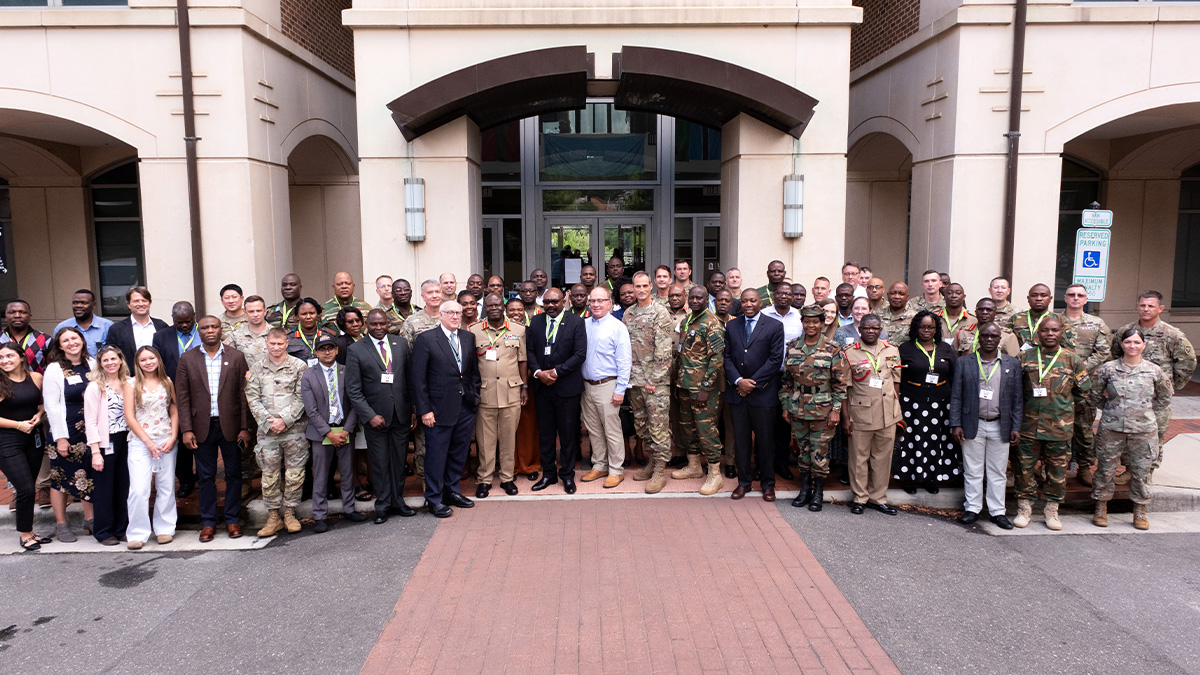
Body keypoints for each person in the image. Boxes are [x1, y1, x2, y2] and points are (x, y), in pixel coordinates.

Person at [175, 316, 252, 542]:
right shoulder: (187, 359)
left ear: (221, 330)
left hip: (231, 426)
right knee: (206, 476)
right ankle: (208, 522)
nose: (210, 330)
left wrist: (245, 427)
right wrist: (186, 429)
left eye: (214, 327)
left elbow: (244, 395)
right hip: (201, 427)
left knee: (233, 475)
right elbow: (183, 397)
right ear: (199, 331)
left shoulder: (236, 357)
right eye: (205, 327)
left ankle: (232, 519)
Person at [1090, 327, 1173, 530]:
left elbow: (1164, 397)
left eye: (1137, 342)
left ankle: (1139, 511)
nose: (1132, 346)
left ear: (1144, 345)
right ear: (1121, 345)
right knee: (1105, 469)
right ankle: (1101, 507)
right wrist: (1111, 409)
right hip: (1112, 428)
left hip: (1144, 430)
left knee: (1141, 471)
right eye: (1128, 342)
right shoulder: (1108, 369)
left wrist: (1144, 412)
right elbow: (1093, 394)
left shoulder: (1154, 371)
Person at [1013, 318, 1089, 530]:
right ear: (1037, 333)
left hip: (1059, 426)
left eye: (1054, 330)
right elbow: (1015, 390)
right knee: (1024, 470)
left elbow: (1083, 392)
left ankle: (1052, 511)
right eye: (1044, 330)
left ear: (1061, 332)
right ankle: (1024, 509)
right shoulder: (1024, 357)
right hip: (1029, 426)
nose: (1049, 334)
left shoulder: (1072, 360)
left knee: (1057, 472)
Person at [1109, 290, 1196, 469]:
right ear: (1137, 307)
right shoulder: (1126, 332)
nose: (1146, 309)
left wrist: (1171, 385)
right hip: (1128, 395)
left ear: (1160, 308)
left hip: (1155, 398)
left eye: (1151, 306)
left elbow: (1187, 362)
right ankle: (1129, 470)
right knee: (1127, 434)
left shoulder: (1172, 334)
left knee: (1155, 435)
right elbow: (1115, 356)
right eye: (1142, 305)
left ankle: (1147, 472)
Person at [949, 322, 1021, 529]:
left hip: (1001, 425)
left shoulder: (1011, 364)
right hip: (973, 424)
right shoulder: (965, 362)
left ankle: (997, 512)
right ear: (978, 338)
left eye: (994, 336)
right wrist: (956, 424)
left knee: (998, 472)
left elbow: (1017, 399)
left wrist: (1016, 426)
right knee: (972, 470)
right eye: (985, 336)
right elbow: (956, 396)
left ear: (1000, 339)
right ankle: (972, 508)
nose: (989, 339)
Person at [412, 301, 480, 518]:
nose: (455, 316)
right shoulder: (426, 339)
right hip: (437, 410)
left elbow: (472, 372)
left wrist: (474, 397)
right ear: (440, 315)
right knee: (436, 456)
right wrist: (424, 410)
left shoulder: (467, 337)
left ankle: (452, 491)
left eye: (458, 313)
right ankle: (434, 498)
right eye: (450, 312)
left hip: (464, 407)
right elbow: (418, 378)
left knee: (459, 453)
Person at [347, 309, 416, 523]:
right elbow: (353, 389)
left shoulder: (401, 344)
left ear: (388, 324)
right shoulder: (356, 349)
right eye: (374, 324)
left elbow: (409, 379)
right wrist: (369, 415)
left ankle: (398, 502)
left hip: (401, 415)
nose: (378, 328)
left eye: (382, 324)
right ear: (366, 325)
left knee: (398, 461)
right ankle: (383, 505)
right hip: (376, 418)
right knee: (379, 463)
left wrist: (413, 409)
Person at [780, 305, 850, 512]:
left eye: (815, 321)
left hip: (823, 408)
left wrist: (836, 409)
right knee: (803, 451)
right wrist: (786, 406)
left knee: (819, 452)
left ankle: (817, 491)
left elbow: (840, 384)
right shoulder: (792, 346)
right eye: (807, 321)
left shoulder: (832, 348)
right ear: (802, 323)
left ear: (821, 323)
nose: (811, 325)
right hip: (798, 407)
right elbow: (786, 382)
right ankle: (804, 490)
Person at [246, 328, 309, 536]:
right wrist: (268, 422)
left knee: (294, 473)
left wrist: (285, 420)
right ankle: (273, 516)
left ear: (286, 343)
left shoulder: (299, 367)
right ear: (266, 343)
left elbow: (302, 397)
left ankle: (290, 513)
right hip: (267, 432)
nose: (276, 347)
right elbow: (252, 398)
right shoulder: (256, 368)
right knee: (269, 474)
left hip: (294, 430)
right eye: (272, 344)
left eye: (280, 344)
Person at [725, 289, 784, 501]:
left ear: (761, 302)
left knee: (765, 441)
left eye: (753, 300)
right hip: (738, 393)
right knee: (741, 442)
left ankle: (768, 485)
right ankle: (744, 482)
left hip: (763, 394)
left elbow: (775, 359)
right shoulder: (732, 326)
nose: (748, 304)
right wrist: (738, 381)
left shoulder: (775, 326)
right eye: (744, 301)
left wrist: (753, 383)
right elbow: (727, 357)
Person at [302, 334, 364, 532]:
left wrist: (346, 430)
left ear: (337, 350)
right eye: (322, 349)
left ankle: (349, 508)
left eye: (330, 348)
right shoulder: (308, 375)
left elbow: (356, 402)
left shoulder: (348, 372)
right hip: (322, 433)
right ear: (316, 352)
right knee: (320, 475)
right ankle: (320, 515)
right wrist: (329, 433)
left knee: (347, 472)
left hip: (345, 429)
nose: (327, 352)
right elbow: (310, 410)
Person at [528, 288, 588, 493]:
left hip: (566, 388)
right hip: (542, 388)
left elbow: (580, 354)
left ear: (564, 301)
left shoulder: (576, 322)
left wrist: (555, 372)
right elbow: (529, 351)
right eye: (546, 302)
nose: (550, 305)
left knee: (568, 435)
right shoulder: (535, 322)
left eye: (554, 301)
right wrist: (538, 372)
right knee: (545, 434)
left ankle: (568, 476)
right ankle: (548, 475)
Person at [893, 310, 959, 494]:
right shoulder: (905, 348)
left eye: (931, 327)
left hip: (940, 403)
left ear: (936, 329)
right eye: (923, 326)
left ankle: (932, 478)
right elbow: (898, 376)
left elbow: (953, 375)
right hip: (911, 402)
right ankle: (908, 478)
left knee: (935, 442)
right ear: (916, 328)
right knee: (910, 441)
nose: (927, 330)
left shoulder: (945, 349)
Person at [471, 294, 530, 497]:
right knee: (485, 440)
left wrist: (524, 387)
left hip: (511, 391)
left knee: (508, 438)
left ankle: (507, 478)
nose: (494, 307)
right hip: (485, 393)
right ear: (484, 308)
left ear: (503, 307)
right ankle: (484, 480)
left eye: (498, 304)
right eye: (490, 305)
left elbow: (522, 360)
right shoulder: (473, 330)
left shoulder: (518, 330)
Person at [841, 315, 901, 515]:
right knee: (859, 458)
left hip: (888, 414)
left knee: (883, 458)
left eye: (875, 328)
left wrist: (896, 410)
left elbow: (896, 382)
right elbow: (844, 389)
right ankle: (860, 497)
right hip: (861, 414)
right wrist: (845, 418)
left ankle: (878, 498)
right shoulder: (849, 353)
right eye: (867, 328)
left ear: (880, 329)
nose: (871, 331)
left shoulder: (892, 350)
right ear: (860, 330)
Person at [623, 272, 676, 494]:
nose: (641, 289)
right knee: (642, 426)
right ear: (633, 289)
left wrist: (654, 379)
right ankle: (652, 462)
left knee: (659, 427)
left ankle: (659, 472)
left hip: (655, 382)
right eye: (638, 286)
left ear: (651, 286)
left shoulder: (660, 313)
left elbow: (665, 351)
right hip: (635, 381)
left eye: (645, 285)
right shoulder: (629, 313)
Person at [43, 327, 97, 542]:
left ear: (82, 340)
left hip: (89, 432)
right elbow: (52, 405)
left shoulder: (92, 364)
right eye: (66, 340)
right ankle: (61, 524)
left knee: (87, 476)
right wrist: (60, 438)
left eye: (74, 338)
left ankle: (90, 520)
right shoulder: (55, 369)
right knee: (60, 478)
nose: (71, 342)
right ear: (60, 345)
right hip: (65, 431)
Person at [123, 346, 179, 549]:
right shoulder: (131, 384)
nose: (148, 362)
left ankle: (165, 529)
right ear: (137, 363)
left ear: (158, 360)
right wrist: (147, 442)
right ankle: (137, 532)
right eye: (143, 359)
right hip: (140, 442)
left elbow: (173, 409)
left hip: (165, 440)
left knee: (165, 487)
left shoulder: (167, 381)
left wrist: (173, 436)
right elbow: (129, 416)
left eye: (151, 358)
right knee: (139, 489)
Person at [672, 286, 726, 495]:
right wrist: (679, 382)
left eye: (699, 298)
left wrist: (705, 388)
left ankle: (714, 474)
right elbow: (682, 353)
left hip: (703, 389)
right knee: (687, 428)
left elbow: (716, 359)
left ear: (706, 300)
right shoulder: (687, 321)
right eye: (692, 297)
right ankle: (694, 466)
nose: (695, 301)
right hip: (685, 386)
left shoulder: (711, 323)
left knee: (706, 430)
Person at [578, 287, 631, 489]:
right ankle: (599, 465)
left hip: (608, 385)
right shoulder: (583, 325)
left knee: (612, 430)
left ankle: (616, 470)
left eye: (601, 300)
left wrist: (620, 390)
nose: (596, 304)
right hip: (586, 386)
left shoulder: (618, 327)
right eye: (593, 301)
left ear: (610, 303)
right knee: (593, 429)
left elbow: (625, 361)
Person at [1060, 283, 1111, 486]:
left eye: (1080, 295)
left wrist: (1079, 368)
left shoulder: (1097, 324)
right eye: (1071, 294)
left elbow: (1103, 352)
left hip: (1085, 384)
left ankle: (1084, 467)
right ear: (1065, 298)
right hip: (1059, 383)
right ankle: (1057, 468)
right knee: (1058, 427)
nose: (1075, 298)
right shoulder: (1054, 320)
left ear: (1086, 299)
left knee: (1084, 429)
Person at [0, 342, 47, 551]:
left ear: (21, 357)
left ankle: (30, 530)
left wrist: (39, 415)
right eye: (1, 358)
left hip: (34, 438)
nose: (4, 361)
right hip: (7, 441)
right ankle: (25, 533)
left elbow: (42, 403)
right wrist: (19, 425)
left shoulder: (36, 377)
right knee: (25, 488)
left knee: (28, 487)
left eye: (9, 356)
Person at [83, 345, 131, 546]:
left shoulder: (129, 383)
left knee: (123, 486)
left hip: (126, 440)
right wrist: (95, 452)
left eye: (114, 359)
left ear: (120, 360)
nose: (110, 363)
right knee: (105, 488)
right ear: (100, 364)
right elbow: (90, 421)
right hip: (105, 442)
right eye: (105, 360)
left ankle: (122, 529)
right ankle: (104, 531)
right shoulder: (95, 387)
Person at [403, 280, 444, 478]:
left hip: (446, 391)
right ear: (423, 297)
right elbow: (407, 360)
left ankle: (445, 488)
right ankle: (428, 487)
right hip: (423, 391)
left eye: (438, 291)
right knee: (424, 444)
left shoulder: (450, 317)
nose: (435, 295)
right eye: (430, 292)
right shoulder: (412, 322)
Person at [760, 282, 802, 478]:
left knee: (785, 423)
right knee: (765, 423)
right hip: (768, 376)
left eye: (788, 293)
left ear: (793, 297)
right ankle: (761, 465)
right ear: (774, 295)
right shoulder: (764, 314)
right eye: (780, 293)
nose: (784, 296)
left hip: (790, 377)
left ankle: (781, 464)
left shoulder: (800, 318)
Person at [106, 287, 167, 367]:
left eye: (144, 300)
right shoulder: (117, 329)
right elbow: (111, 356)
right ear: (128, 305)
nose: (141, 304)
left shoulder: (161, 326)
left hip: (157, 377)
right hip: (129, 377)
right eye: (136, 301)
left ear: (149, 303)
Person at [1006, 283, 1075, 351]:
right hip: (1021, 359)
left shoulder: (1060, 319)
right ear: (1028, 298)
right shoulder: (1016, 318)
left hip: (1050, 360)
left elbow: (1069, 346)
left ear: (1050, 299)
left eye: (1043, 295)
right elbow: (1006, 342)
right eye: (1034, 295)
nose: (1039, 299)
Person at [951, 298, 1020, 357]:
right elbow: (955, 358)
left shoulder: (1007, 335)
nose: (984, 312)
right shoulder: (963, 332)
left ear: (995, 313)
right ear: (975, 312)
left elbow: (1014, 362)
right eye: (981, 309)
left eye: (989, 310)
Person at [54, 290, 112, 357]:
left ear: (94, 305)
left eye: (84, 303)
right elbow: (56, 354)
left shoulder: (107, 326)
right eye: (75, 303)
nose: (78, 306)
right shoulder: (61, 327)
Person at [2, 299, 50, 375]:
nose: (17, 316)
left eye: (23, 312)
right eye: (12, 312)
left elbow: (53, 369)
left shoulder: (45, 340)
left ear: (30, 316)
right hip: (4, 386)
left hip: (36, 385)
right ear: (5, 316)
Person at [226, 294, 272, 367]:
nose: (255, 314)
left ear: (265, 311)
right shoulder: (235, 337)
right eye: (251, 311)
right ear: (245, 312)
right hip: (246, 377)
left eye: (259, 311)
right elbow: (229, 362)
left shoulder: (276, 334)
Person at [287, 297, 335, 364]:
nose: (308, 317)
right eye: (304, 314)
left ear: (317, 315)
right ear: (297, 316)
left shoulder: (328, 335)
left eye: (312, 313)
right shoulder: (287, 337)